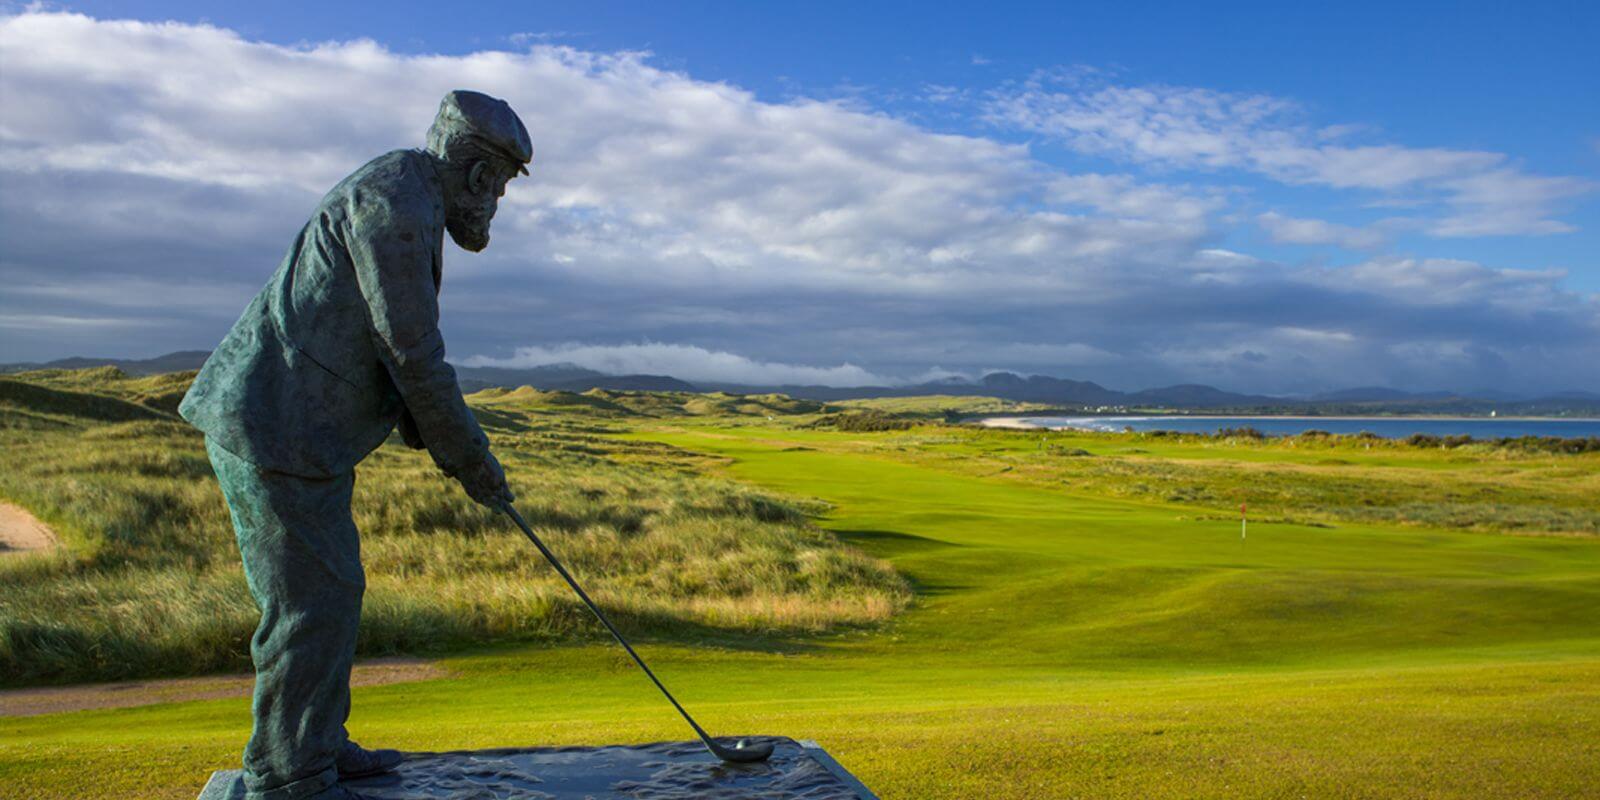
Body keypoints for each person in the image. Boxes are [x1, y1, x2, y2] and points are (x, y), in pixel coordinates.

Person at [180, 90, 531, 800]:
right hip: (274, 427)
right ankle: (289, 774)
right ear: (478, 175)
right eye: (498, 187)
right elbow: (412, 353)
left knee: (333, 590)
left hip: (302, 437)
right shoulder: (397, 205)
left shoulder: (406, 191)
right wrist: (471, 461)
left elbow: (391, 353)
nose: (495, 203)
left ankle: (314, 742)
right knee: (309, 604)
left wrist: (454, 450)